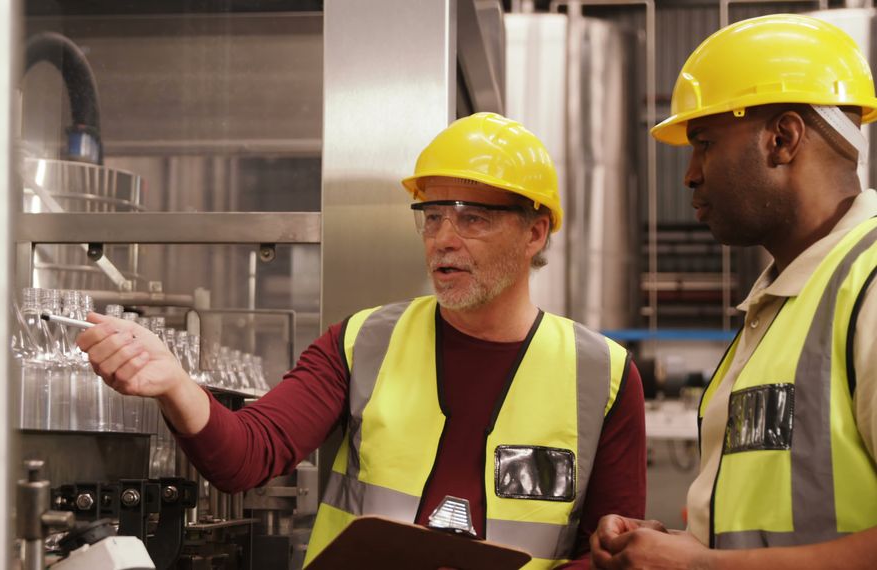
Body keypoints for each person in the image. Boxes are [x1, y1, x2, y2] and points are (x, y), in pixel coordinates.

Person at [78, 112, 646, 569]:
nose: (444, 239)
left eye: (473, 219)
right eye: (431, 217)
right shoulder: (363, 341)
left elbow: (614, 554)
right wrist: (175, 385)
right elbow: (249, 454)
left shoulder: (603, 375)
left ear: (535, 232)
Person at [592, 14, 877, 569]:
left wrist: (702, 567)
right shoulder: (781, 303)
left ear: (783, 138)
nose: (689, 175)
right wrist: (686, 543)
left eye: (704, 143)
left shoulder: (869, 285)